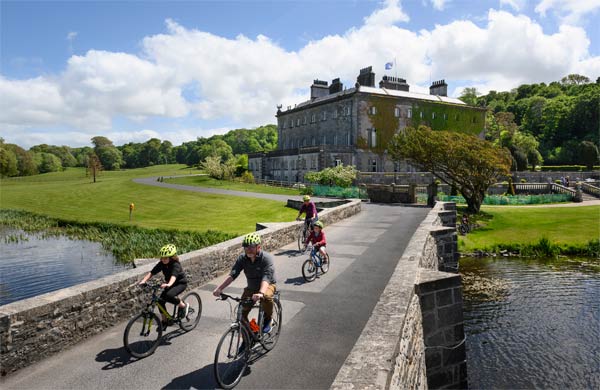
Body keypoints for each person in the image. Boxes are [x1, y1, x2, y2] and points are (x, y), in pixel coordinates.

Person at [212, 233, 277, 335]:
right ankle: (249, 336)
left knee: (267, 297)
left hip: (267, 285)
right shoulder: (242, 258)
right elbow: (233, 275)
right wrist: (220, 288)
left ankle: (269, 319)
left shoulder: (266, 258)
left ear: (258, 247)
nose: (248, 250)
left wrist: (261, 293)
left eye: (251, 247)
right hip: (251, 288)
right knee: (241, 314)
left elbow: (266, 277)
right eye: (246, 247)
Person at [139, 244, 189, 329]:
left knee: (169, 295)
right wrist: (143, 281)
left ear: (171, 257)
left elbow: (174, 276)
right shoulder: (161, 263)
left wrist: (169, 284)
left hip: (180, 283)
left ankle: (183, 306)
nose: (163, 259)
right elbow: (152, 272)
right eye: (162, 258)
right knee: (160, 301)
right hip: (169, 284)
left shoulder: (175, 264)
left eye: (166, 258)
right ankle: (165, 321)